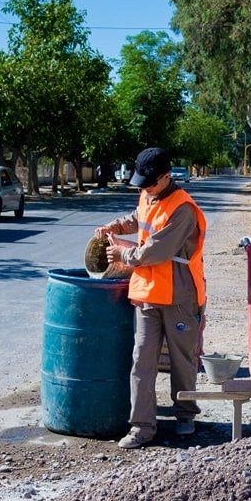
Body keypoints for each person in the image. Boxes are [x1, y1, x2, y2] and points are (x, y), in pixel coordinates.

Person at [94, 147, 207, 448]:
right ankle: (142, 427)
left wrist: (122, 253)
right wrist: (116, 226)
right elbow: (138, 218)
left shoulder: (183, 209)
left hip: (180, 295)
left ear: (167, 177)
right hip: (147, 293)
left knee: (183, 360)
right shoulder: (148, 193)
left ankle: (185, 415)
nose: (143, 188)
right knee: (142, 361)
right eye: (141, 183)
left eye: (149, 183)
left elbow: (156, 250)